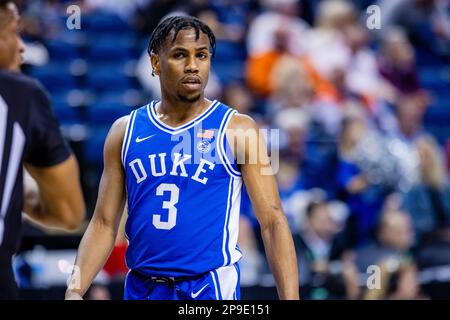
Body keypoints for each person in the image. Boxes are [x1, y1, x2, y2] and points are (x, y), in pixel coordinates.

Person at [65, 15, 299, 300]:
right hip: (142, 286)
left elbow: (273, 221)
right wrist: (75, 289)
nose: (192, 65)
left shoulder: (239, 129)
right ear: (155, 63)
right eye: (179, 55)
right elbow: (102, 223)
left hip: (208, 287)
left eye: (201, 55)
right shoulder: (123, 132)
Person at [0, 1, 85, 299]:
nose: (21, 47)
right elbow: (67, 212)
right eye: (14, 33)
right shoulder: (19, 94)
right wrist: (16, 188)